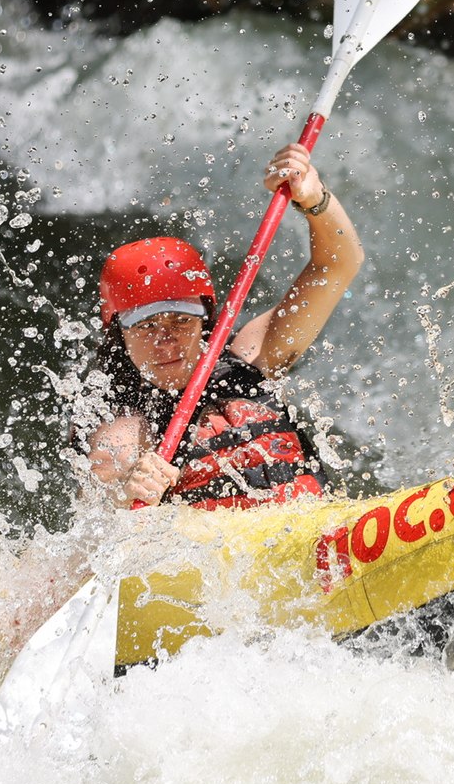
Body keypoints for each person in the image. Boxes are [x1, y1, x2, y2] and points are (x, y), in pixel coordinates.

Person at [83, 141, 364, 510]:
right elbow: (89, 542)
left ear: (206, 319)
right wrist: (127, 498)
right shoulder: (121, 434)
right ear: (118, 332)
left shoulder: (250, 357)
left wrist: (315, 200)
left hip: (322, 531)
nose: (166, 341)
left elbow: (338, 264)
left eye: (182, 320)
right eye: (146, 327)